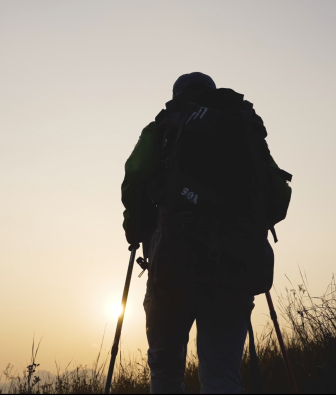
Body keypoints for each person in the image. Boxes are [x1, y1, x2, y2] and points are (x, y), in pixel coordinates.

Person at [121, 72, 291, 394]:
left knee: (166, 371)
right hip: (233, 267)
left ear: (176, 95)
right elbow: (278, 197)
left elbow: (137, 173)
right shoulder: (240, 127)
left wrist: (135, 226)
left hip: (172, 263)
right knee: (221, 374)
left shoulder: (163, 127)